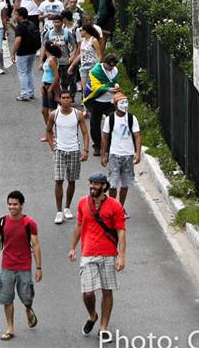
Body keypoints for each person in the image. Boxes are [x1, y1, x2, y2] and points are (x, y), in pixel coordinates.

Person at [68, 172, 126, 343]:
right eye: (91, 183)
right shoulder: (82, 203)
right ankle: (92, 315)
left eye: (96, 184)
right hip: (88, 253)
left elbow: (121, 232)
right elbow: (79, 225)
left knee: (107, 291)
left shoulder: (115, 206)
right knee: (87, 292)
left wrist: (121, 256)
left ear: (104, 186)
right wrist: (72, 248)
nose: (92, 187)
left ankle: (103, 327)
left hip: (108, 254)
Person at [0, 191, 42, 341]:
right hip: (7, 267)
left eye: (15, 205)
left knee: (26, 296)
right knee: (7, 298)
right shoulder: (2, 222)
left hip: (24, 267)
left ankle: (28, 308)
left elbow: (36, 245)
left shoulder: (29, 223)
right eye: (10, 204)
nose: (12, 207)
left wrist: (39, 268)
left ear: (21, 205)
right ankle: (10, 327)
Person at [47, 89, 90, 224]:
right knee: (59, 180)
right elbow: (48, 131)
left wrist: (85, 150)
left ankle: (67, 207)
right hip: (60, 150)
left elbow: (85, 133)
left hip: (74, 150)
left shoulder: (77, 115)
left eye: (68, 98)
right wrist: (53, 147)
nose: (65, 100)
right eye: (63, 98)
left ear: (71, 100)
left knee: (71, 180)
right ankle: (59, 211)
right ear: (60, 100)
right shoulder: (54, 114)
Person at [100, 93, 142, 218]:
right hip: (114, 154)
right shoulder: (110, 119)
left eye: (126, 102)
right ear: (115, 104)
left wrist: (137, 152)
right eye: (122, 102)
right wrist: (104, 155)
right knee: (112, 183)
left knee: (125, 183)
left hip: (128, 155)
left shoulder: (132, 118)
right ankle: (112, 208)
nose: (125, 105)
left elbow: (137, 136)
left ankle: (120, 208)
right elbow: (105, 138)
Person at [84, 53, 121, 156]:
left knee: (112, 123)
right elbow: (95, 87)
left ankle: (109, 146)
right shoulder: (95, 71)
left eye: (113, 66)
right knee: (95, 124)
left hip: (110, 101)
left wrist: (116, 86)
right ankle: (97, 146)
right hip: (97, 101)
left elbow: (115, 82)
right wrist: (109, 89)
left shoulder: (115, 70)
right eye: (109, 66)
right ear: (104, 63)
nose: (111, 68)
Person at [13, 7, 40, 102]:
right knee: (29, 71)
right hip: (32, 51)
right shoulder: (31, 24)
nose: (15, 16)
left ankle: (24, 94)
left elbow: (18, 40)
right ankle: (31, 92)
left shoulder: (20, 26)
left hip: (22, 53)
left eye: (16, 14)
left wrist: (13, 53)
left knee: (22, 73)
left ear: (20, 16)